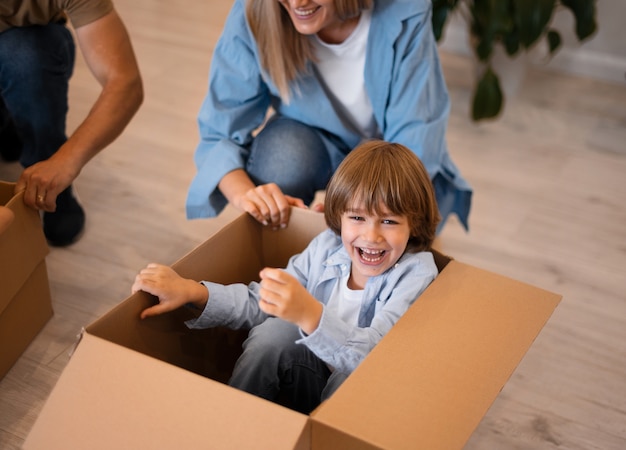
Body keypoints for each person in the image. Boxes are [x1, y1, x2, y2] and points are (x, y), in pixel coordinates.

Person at [133, 140, 440, 413]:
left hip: (362, 410)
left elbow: (376, 360)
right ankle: (232, 423)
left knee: (350, 378)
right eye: (357, 218)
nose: (371, 236)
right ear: (338, 217)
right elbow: (261, 302)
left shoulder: (417, 272)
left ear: (414, 224)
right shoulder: (325, 247)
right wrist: (193, 292)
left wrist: (310, 316)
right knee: (272, 335)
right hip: (308, 382)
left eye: (388, 221)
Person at [185, 0, 472, 233]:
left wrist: (351, 215)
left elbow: (415, 134)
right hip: (312, 143)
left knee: (399, 217)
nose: (297, 3)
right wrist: (247, 196)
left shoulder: (405, 9)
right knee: (281, 160)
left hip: (390, 157)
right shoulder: (255, 11)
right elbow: (219, 130)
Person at [0, 0, 143, 246]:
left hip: (23, 52)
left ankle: (50, 179)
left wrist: (64, 162)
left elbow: (125, 83)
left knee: (27, 57)